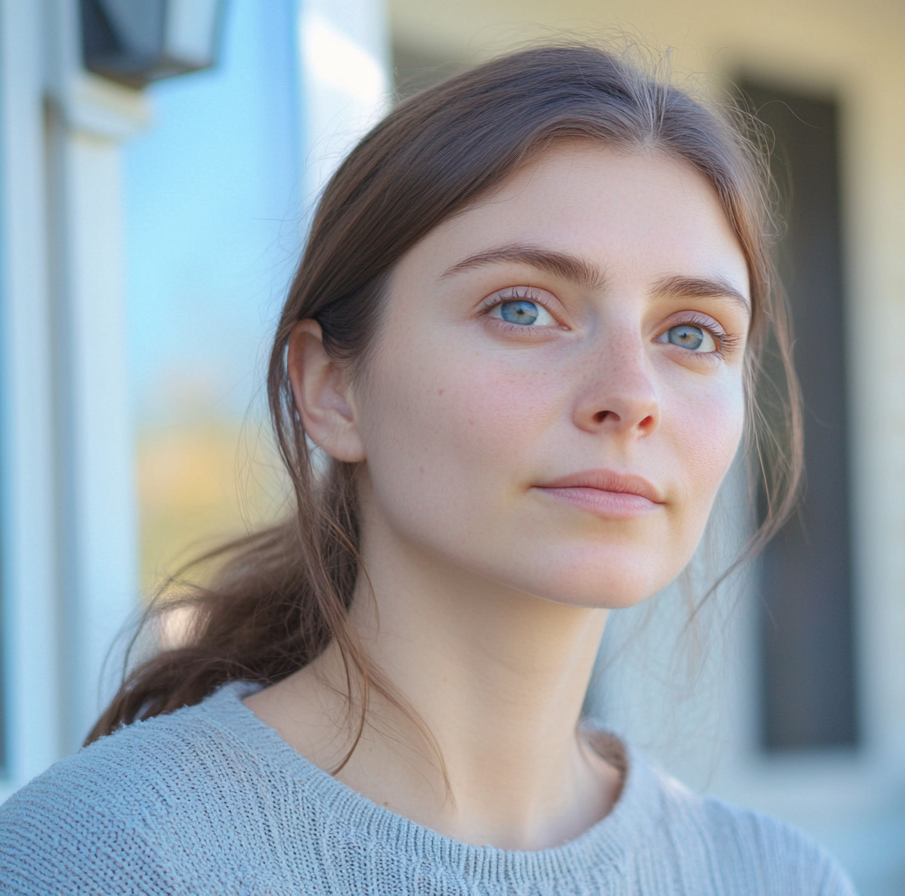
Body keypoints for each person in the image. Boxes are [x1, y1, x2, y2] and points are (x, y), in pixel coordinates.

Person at [0, 43, 854, 895]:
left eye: (692, 334)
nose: (632, 397)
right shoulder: (99, 859)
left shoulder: (779, 877)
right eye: (523, 309)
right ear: (330, 387)